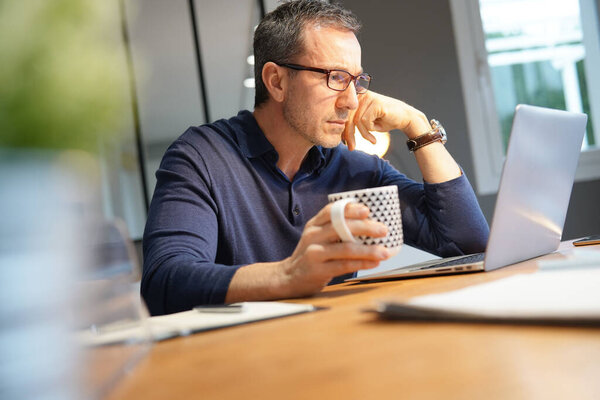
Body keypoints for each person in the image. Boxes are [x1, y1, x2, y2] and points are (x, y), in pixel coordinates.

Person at [142, 0, 489, 316]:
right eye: (335, 78)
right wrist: (288, 274)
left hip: (334, 355)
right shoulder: (201, 157)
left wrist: (418, 127)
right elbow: (165, 283)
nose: (352, 101)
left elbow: (466, 243)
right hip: (239, 366)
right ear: (276, 82)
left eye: (356, 80)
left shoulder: (353, 166)